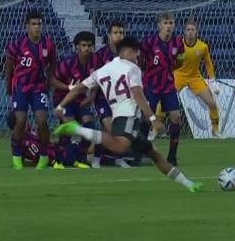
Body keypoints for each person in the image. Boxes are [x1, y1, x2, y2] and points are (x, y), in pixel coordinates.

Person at [53, 36, 201, 192]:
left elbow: (80, 88)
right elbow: (137, 93)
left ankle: (189, 184)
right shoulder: (132, 68)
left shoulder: (102, 70)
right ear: (129, 51)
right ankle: (77, 129)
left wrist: (61, 105)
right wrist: (153, 119)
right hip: (128, 117)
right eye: (137, 55)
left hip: (121, 117)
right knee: (120, 146)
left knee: (154, 155)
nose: (138, 58)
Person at [5, 10, 57, 170]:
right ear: (27, 26)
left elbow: (52, 63)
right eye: (33, 24)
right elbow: (9, 65)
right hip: (21, 87)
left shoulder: (48, 44)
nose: (37, 27)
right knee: (20, 121)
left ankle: (43, 155)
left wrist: (49, 80)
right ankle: (17, 154)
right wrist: (8, 86)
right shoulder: (17, 44)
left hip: (39, 88)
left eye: (39, 24)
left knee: (42, 122)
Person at [140, 12, 184, 165]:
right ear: (159, 25)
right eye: (165, 23)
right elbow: (141, 60)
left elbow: (180, 62)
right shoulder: (149, 42)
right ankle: (142, 152)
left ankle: (172, 155)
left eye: (171, 23)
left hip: (168, 85)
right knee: (146, 117)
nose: (168, 26)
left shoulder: (178, 43)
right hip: (151, 85)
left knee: (176, 117)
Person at [50, 31, 96, 168]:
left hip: (81, 100)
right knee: (71, 128)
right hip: (63, 99)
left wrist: (92, 96)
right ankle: (58, 160)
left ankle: (79, 158)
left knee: (89, 127)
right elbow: (52, 80)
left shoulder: (94, 61)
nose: (87, 48)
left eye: (89, 45)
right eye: (83, 45)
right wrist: (68, 87)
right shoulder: (68, 63)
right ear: (77, 47)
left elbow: (98, 79)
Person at [90, 20, 131, 168]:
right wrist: (92, 96)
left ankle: (117, 158)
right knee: (111, 128)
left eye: (121, 32)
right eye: (115, 33)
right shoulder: (101, 55)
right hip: (103, 99)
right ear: (108, 35)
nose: (119, 36)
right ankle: (96, 158)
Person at [173, 20, 220, 136]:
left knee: (212, 103)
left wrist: (213, 80)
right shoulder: (177, 44)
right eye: (188, 30)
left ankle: (216, 130)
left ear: (196, 32)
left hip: (194, 77)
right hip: (179, 75)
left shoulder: (203, 47)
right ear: (184, 32)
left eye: (192, 30)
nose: (190, 32)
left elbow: (208, 64)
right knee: (164, 101)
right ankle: (154, 129)